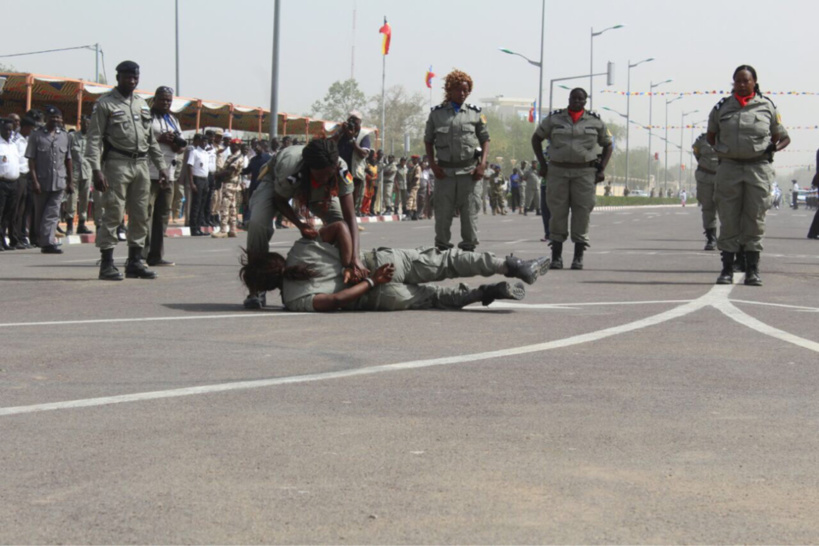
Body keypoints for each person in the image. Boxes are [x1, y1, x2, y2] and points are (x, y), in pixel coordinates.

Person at [240, 220, 551, 313]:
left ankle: (489, 292)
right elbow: (340, 229)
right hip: (383, 264)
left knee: (435, 298)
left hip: (376, 296)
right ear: (274, 260)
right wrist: (354, 263)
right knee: (448, 262)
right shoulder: (300, 248)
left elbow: (336, 300)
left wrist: (373, 283)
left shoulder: (294, 302)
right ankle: (511, 266)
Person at [244, 137, 366, 309]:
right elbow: (279, 200)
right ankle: (255, 290)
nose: (324, 178)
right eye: (320, 174)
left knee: (339, 224)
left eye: (328, 174)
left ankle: (341, 274)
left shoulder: (340, 169)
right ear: (310, 168)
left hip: (315, 190)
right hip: (277, 181)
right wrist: (300, 224)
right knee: (257, 223)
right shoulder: (290, 169)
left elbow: (350, 217)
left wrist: (355, 258)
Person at [85, 60, 169, 280]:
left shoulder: (141, 104)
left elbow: (151, 140)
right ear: (118, 78)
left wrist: (161, 166)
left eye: (135, 77)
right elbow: (94, 139)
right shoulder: (105, 104)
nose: (131, 81)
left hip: (141, 165)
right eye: (127, 77)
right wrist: (96, 170)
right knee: (113, 213)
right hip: (116, 164)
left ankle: (134, 262)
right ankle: (107, 264)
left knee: (141, 215)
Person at [708, 64, 790, 286]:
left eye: (746, 80)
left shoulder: (767, 107)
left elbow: (783, 137)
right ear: (733, 83)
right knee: (728, 217)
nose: (742, 84)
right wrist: (726, 151)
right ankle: (726, 269)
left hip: (758, 169)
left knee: (754, 218)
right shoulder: (722, 107)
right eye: (738, 81)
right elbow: (711, 135)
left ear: (755, 82)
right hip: (729, 169)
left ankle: (752, 270)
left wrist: (772, 149)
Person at [532, 87, 613, 270]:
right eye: (574, 98)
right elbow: (536, 139)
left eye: (580, 99)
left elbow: (608, 145)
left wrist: (601, 169)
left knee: (582, 213)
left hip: (585, 173)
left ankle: (578, 257)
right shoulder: (554, 119)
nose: (577, 101)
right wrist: (543, 165)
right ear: (569, 99)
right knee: (557, 213)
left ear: (585, 102)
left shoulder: (595, 121)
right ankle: (556, 257)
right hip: (558, 171)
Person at [425, 69, 490, 252]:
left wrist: (482, 165)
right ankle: (442, 250)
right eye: (458, 90)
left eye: (465, 90)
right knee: (443, 216)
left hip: (469, 173)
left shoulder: (475, 114)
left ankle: (468, 252)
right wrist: (433, 165)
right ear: (449, 90)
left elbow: (485, 139)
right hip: (444, 173)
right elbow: (428, 141)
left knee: (469, 215)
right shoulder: (436, 115)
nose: (462, 93)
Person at [145, 86, 184, 266]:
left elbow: (181, 146)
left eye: (169, 100)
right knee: (145, 214)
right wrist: (159, 139)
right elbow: (138, 139)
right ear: (155, 99)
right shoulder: (146, 116)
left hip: (169, 173)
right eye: (163, 99)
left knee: (162, 216)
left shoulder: (173, 120)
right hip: (149, 172)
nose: (166, 103)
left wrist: (174, 143)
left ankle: (156, 255)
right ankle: (140, 254)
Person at [25, 106, 73, 254]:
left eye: (58, 117)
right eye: (53, 117)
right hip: (41, 181)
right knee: (40, 213)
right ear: (46, 118)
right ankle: (41, 239)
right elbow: (31, 160)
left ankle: (48, 242)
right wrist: (34, 181)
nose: (56, 120)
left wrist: (70, 181)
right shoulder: (36, 135)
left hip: (59, 181)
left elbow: (68, 159)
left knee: (52, 213)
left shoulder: (64, 136)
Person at [337, 111, 371, 215]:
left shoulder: (364, 135)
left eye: (355, 122)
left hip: (354, 173)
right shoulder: (341, 132)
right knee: (338, 196)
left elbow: (363, 154)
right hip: (340, 171)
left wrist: (352, 139)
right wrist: (341, 132)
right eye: (350, 121)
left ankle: (351, 219)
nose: (352, 125)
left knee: (351, 197)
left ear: (360, 122)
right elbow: (330, 143)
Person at [211, 138, 244, 238]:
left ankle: (223, 229)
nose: (234, 147)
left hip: (230, 183)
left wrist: (218, 175)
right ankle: (233, 229)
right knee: (232, 207)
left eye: (237, 145)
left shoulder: (237, 157)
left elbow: (230, 171)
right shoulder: (233, 156)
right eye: (233, 145)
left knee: (224, 206)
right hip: (232, 184)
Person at [66, 115, 93, 236]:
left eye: (89, 124)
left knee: (84, 199)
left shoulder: (92, 139)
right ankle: (70, 225)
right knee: (71, 199)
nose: (86, 126)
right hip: (74, 173)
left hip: (87, 173)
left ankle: (82, 224)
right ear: (81, 123)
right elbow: (67, 156)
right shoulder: (72, 137)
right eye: (84, 123)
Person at [692, 132, 718, 250]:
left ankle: (728, 240)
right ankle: (711, 238)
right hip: (705, 177)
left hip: (724, 178)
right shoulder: (702, 139)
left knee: (728, 210)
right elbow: (697, 153)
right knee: (708, 208)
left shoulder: (731, 137)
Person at [0, 118, 22, 250]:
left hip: (14, 183)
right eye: (6, 129)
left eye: (10, 130)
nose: (8, 132)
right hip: (2, 183)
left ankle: (3, 240)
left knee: (9, 214)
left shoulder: (13, 145)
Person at [186, 133, 210, 236]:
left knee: (202, 204)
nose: (204, 143)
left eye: (206, 141)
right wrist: (192, 183)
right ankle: (194, 228)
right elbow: (189, 166)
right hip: (197, 179)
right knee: (196, 204)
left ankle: (199, 227)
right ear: (199, 141)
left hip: (205, 180)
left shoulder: (206, 153)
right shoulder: (194, 152)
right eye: (202, 141)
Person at [404, 155, 421, 221]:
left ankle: (408, 214)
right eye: (413, 159)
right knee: (413, 199)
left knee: (410, 199)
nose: (413, 160)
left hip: (414, 185)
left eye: (414, 159)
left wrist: (411, 185)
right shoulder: (412, 167)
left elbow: (416, 177)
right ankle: (414, 215)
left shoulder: (417, 167)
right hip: (411, 185)